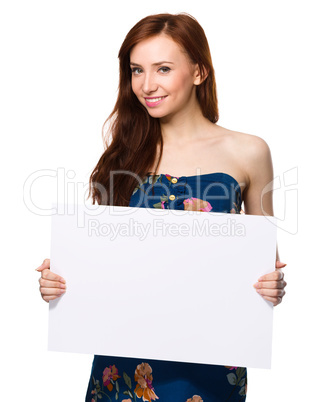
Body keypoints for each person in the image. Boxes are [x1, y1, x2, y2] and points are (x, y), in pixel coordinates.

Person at [36, 13, 287, 402]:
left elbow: (262, 265)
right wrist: (62, 283)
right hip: (123, 363)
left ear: (199, 71)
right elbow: (107, 265)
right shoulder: (123, 154)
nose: (146, 85)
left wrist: (272, 286)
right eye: (137, 70)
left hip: (209, 363)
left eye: (163, 69)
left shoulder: (248, 151)